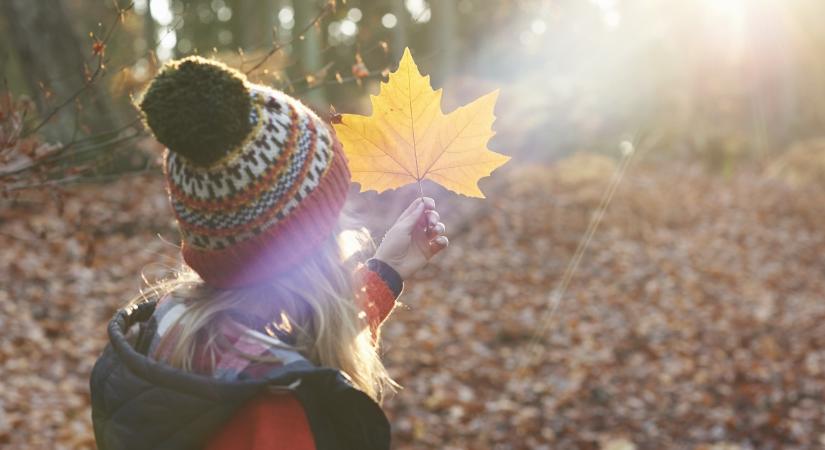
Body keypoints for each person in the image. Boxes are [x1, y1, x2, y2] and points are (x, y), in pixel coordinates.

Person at [89, 56, 448, 450]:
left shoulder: (168, 327)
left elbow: (290, 336)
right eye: (335, 207)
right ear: (310, 242)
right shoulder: (276, 416)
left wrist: (386, 271)